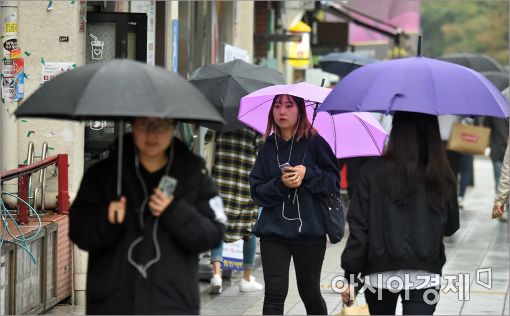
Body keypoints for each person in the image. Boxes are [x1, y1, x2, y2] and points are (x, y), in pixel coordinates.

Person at [69, 117, 226, 314]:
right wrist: (106, 221)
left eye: (160, 125)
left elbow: (213, 233)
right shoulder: (102, 175)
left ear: (173, 126)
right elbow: (79, 232)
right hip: (113, 304)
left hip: (172, 305)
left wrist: (175, 211)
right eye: (144, 124)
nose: (152, 134)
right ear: (132, 125)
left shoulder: (194, 175)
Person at [341, 111, 460, 315]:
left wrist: (351, 276)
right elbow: (451, 226)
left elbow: (359, 227)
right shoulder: (441, 174)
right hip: (425, 273)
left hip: (378, 272)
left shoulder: (372, 171)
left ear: (395, 131)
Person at [249, 94, 340, 315]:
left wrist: (308, 173)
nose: (282, 111)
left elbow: (333, 181)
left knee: (309, 292)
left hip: (309, 233)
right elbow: (257, 191)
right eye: (277, 106)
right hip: (273, 233)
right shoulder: (267, 148)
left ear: (300, 110)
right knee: (274, 295)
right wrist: (281, 183)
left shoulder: (315, 142)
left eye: (289, 106)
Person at [209, 128, 264, 294]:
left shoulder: (223, 119)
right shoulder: (254, 124)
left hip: (221, 180)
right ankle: (246, 278)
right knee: (250, 230)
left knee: (218, 225)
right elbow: (262, 155)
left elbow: (209, 140)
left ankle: (216, 274)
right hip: (245, 184)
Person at [492, 142, 509, 222]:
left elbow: (507, 172)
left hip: (498, 151)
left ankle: (505, 208)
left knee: (498, 178)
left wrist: (499, 201)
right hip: (498, 151)